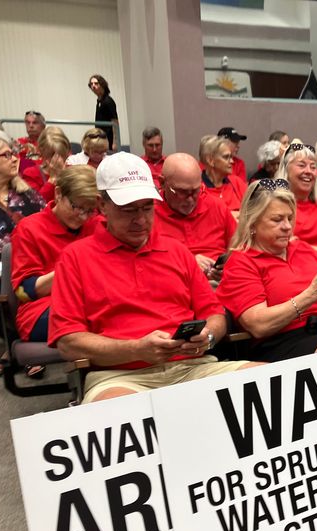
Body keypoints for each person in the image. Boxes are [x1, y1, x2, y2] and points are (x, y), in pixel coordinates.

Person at [48, 152, 255, 403]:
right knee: (117, 412)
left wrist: (208, 337)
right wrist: (135, 349)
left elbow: (215, 315)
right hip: (119, 375)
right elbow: (69, 342)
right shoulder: (75, 258)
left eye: (148, 208)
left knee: (275, 384)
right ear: (101, 205)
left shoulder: (176, 251)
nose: (141, 220)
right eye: (128, 210)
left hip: (194, 366)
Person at [216, 179, 317, 361]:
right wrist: (312, 294)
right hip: (282, 343)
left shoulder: (302, 248)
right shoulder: (241, 262)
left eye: (290, 218)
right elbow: (259, 325)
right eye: (277, 220)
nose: (287, 226)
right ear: (253, 223)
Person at [0, 137, 46, 373]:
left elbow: (49, 227)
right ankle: (16, 339)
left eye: (14, 153)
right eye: (6, 155)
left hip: (30, 264)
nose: (15, 158)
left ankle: (17, 346)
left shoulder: (29, 195)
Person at [11, 166, 99, 344]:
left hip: (92, 300)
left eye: (90, 210)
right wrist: (72, 268)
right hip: (43, 308)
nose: (83, 217)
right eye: (77, 207)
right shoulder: (30, 228)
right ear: (58, 193)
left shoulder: (97, 225)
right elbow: (24, 292)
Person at [155, 153, 236, 279]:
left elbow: (240, 248)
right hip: (175, 283)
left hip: (220, 282)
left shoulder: (216, 206)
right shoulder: (148, 214)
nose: (190, 199)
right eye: (182, 192)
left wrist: (226, 267)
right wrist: (188, 263)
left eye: (196, 191)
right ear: (162, 183)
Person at [199, 135, 247, 214]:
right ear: (210, 160)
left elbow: (254, 210)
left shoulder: (236, 182)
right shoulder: (198, 188)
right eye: (226, 157)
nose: (232, 161)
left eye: (231, 157)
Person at [21, 127, 70, 203]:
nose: (58, 160)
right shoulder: (31, 174)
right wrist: (53, 179)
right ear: (41, 152)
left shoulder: (72, 170)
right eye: (52, 155)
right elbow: (36, 205)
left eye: (61, 154)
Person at [88, 74, 119, 152]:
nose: (93, 86)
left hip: (108, 139)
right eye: (91, 84)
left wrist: (115, 142)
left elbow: (114, 121)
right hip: (101, 138)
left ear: (102, 85)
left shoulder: (108, 101)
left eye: (96, 83)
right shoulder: (99, 101)